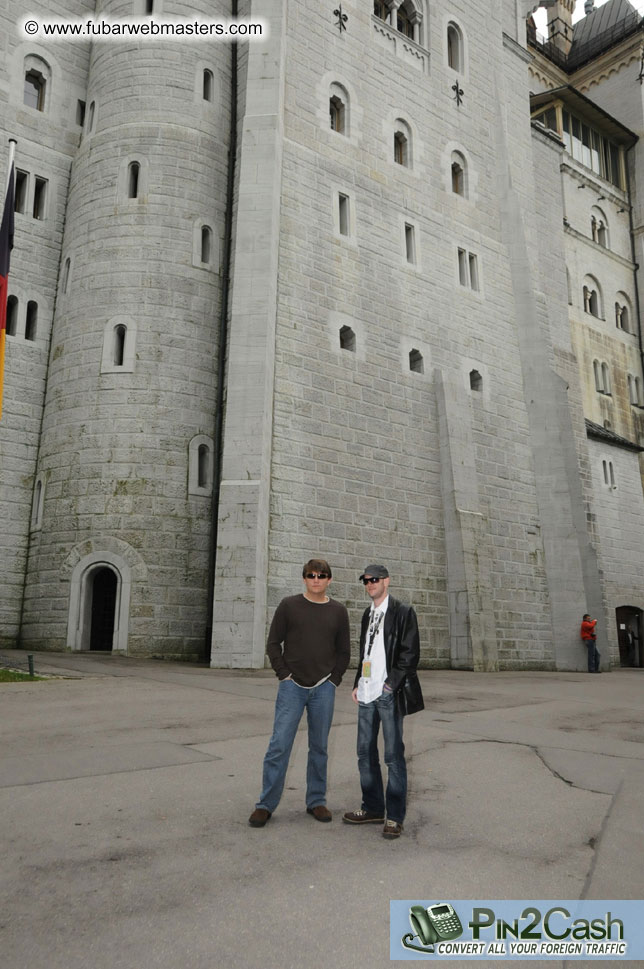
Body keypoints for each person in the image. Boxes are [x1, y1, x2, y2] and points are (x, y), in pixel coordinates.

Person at [248, 559, 351, 827]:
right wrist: (284, 674)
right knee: (279, 745)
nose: (316, 579)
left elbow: (344, 652)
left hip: (323, 689)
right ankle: (265, 804)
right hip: (292, 688)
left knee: (319, 747)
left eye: (322, 575)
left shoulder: (338, 612)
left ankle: (316, 801)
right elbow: (273, 643)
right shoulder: (289, 606)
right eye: (311, 575)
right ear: (304, 578)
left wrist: (334, 680)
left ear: (329, 579)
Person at [343, 564, 423, 840]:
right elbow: (365, 651)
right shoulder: (368, 613)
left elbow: (409, 654)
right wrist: (357, 682)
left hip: (387, 694)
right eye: (366, 580)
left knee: (392, 756)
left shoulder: (402, 612)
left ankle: (394, 816)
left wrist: (391, 685)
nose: (370, 584)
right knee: (365, 754)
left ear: (386, 581)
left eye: (374, 579)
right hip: (366, 693)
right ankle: (374, 807)